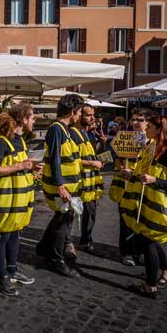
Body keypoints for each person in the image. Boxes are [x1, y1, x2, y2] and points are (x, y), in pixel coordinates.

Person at [120, 115, 167, 299]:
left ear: (160, 129)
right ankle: (166, 270)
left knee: (147, 242)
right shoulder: (151, 146)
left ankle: (151, 286)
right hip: (145, 203)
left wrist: (155, 180)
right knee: (148, 240)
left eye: (149, 126)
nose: (145, 128)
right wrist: (131, 174)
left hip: (157, 206)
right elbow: (144, 172)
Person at [0, 103, 40, 296]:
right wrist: (20, 166)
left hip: (17, 201)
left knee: (15, 235)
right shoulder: (2, 142)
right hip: (4, 202)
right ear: (23, 120)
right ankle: (1, 277)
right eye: (32, 117)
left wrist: (30, 168)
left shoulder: (21, 141)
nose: (34, 121)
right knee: (3, 238)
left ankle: (12, 270)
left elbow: (19, 165)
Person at [37, 94, 84, 278]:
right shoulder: (57, 129)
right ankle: (56, 259)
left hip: (65, 186)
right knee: (63, 221)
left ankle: (43, 248)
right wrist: (60, 186)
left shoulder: (64, 129)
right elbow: (56, 159)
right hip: (60, 187)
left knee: (60, 218)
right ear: (72, 112)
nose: (79, 116)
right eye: (79, 112)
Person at [109, 108, 150, 266]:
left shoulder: (152, 142)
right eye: (133, 119)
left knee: (141, 221)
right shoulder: (126, 138)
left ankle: (139, 251)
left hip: (142, 187)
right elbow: (118, 159)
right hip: (125, 188)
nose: (135, 123)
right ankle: (126, 252)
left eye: (140, 119)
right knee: (125, 220)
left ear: (147, 122)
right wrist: (121, 168)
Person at [71, 104, 105, 252]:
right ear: (79, 116)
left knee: (90, 212)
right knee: (73, 213)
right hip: (78, 181)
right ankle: (67, 244)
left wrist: (103, 147)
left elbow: (91, 154)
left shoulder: (86, 133)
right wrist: (92, 162)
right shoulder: (72, 133)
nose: (92, 118)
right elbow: (71, 159)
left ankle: (86, 240)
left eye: (93, 115)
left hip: (90, 181)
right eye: (89, 115)